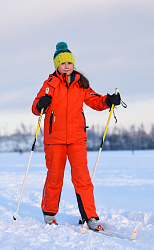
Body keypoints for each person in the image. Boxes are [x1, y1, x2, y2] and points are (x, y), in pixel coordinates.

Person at [32, 42, 121, 231]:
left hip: (76, 139)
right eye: (63, 63)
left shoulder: (81, 83)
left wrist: (108, 100)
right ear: (57, 65)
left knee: (82, 178)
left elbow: (95, 100)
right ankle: (49, 214)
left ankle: (90, 217)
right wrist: (41, 103)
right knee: (54, 177)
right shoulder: (49, 84)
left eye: (69, 63)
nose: (67, 66)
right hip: (54, 139)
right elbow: (35, 107)